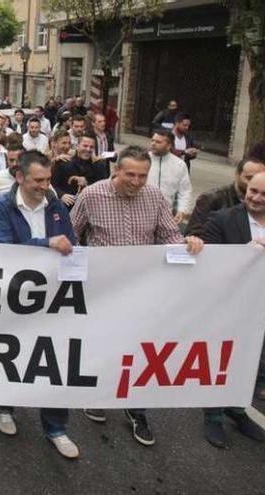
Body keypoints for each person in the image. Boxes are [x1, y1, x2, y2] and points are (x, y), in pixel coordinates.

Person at [71, 146, 204, 447]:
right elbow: (70, 233)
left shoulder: (155, 197)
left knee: (142, 350)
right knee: (104, 345)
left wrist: (187, 243)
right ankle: (97, 393)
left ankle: (136, 409)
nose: (136, 181)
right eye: (129, 174)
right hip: (103, 290)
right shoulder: (91, 195)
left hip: (144, 290)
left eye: (142, 176)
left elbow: (169, 234)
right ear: (115, 170)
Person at [0, 150, 78, 459]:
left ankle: (56, 427)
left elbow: (71, 241)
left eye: (48, 179)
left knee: (53, 359)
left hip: (52, 295)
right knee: (10, 352)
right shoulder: (2, 206)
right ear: (20, 177)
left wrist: (63, 247)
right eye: (38, 180)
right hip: (15, 295)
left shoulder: (54, 203)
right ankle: (3, 407)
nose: (45, 185)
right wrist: (46, 244)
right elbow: (4, 250)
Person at [198, 171, 265, 448]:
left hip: (260, 308)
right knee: (222, 359)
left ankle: (237, 408)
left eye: (263, 194)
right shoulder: (223, 219)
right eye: (252, 191)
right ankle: (213, 416)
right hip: (230, 307)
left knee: (254, 362)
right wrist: (243, 255)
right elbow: (209, 267)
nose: (256, 198)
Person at [187, 157, 265, 237]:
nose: (255, 182)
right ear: (237, 175)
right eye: (250, 178)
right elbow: (194, 235)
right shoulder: (211, 198)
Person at [51, 133, 109, 209]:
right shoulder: (63, 162)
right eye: (85, 146)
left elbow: (104, 189)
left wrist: (87, 184)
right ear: (77, 147)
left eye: (91, 147)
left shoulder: (99, 166)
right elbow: (52, 186)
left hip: (90, 208)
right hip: (67, 208)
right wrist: (61, 195)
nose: (88, 149)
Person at [148, 129, 193, 224]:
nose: (153, 143)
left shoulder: (179, 165)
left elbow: (185, 191)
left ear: (169, 146)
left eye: (158, 142)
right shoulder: (143, 160)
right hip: (141, 213)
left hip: (166, 216)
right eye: (152, 140)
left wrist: (182, 210)